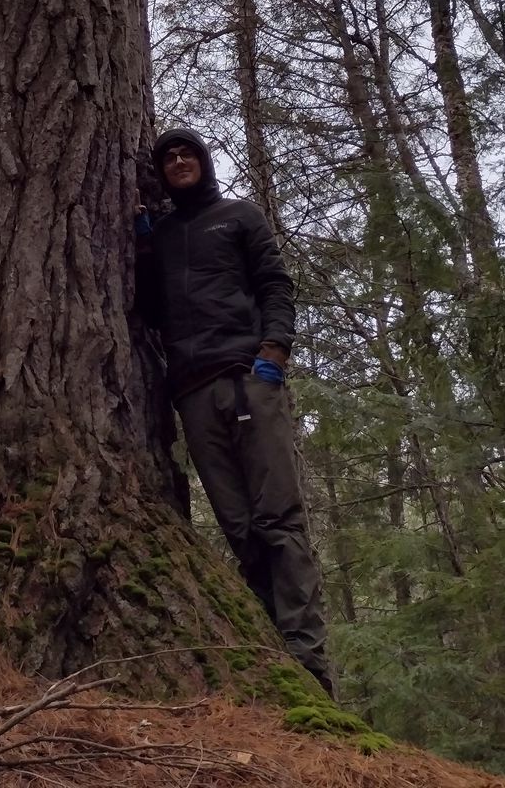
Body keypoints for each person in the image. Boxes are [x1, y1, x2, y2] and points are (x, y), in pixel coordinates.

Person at [135, 126, 333, 696]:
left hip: (248, 376)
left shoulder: (239, 215)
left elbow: (275, 283)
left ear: (203, 162)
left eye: (187, 153)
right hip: (192, 391)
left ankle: (309, 662)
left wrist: (273, 351)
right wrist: (145, 242)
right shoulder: (165, 234)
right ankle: (270, 644)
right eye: (169, 156)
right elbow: (147, 308)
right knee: (240, 527)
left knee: (278, 520)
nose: (178, 161)